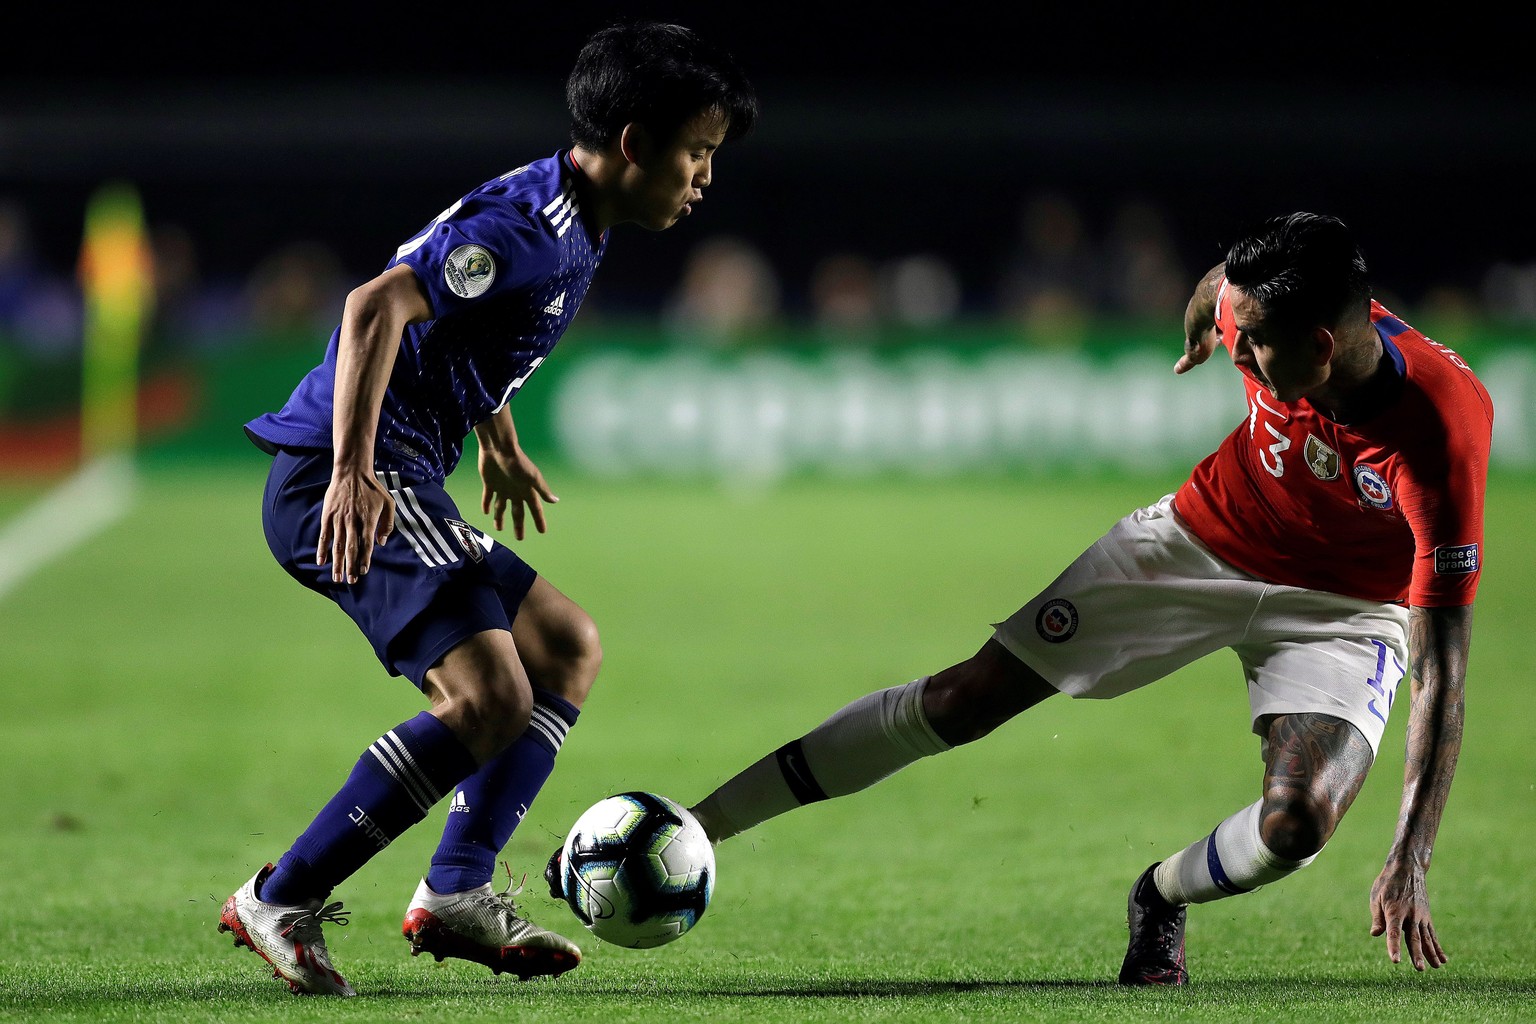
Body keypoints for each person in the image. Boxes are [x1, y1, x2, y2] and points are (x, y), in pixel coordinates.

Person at [572, 212, 1488, 984]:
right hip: (1196, 543)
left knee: (1296, 830)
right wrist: (1203, 315)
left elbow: (1442, 670)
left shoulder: (1438, 435)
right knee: (967, 699)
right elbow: (1222, 282)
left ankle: (1160, 893)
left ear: (1324, 348)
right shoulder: (1266, 310)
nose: (1238, 353)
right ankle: (703, 823)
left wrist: (1412, 850)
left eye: (1254, 345)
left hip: (1345, 607)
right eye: (1236, 330)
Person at [220, 20, 756, 997]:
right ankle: (280, 895)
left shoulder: (572, 216)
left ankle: (457, 888)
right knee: (490, 697)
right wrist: (351, 471)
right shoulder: (533, 230)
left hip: (396, 468)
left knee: (565, 646)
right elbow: (375, 306)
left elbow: (467, 334)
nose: (704, 177)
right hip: (346, 478)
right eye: (697, 152)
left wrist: (497, 434)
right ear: (634, 144)